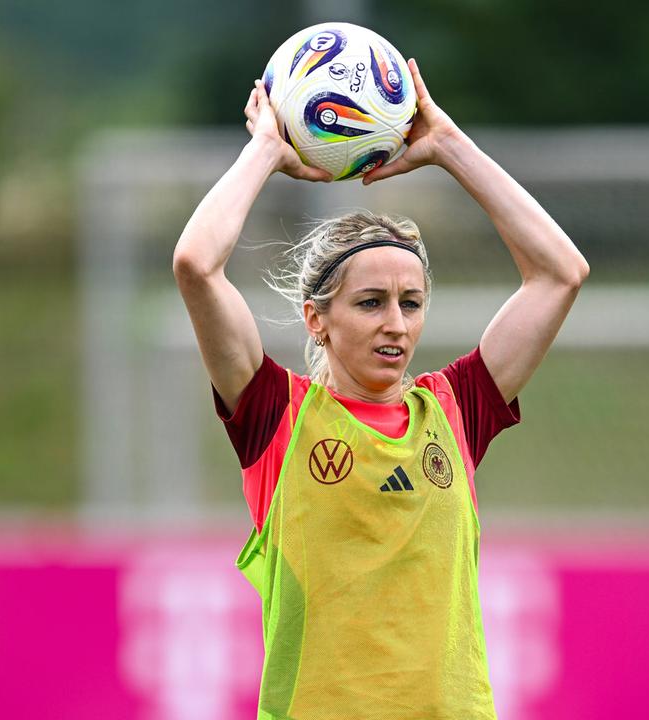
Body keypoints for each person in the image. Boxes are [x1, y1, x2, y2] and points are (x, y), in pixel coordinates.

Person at [173, 58, 588, 720]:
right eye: (370, 302)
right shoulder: (275, 416)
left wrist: (450, 147)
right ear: (318, 318)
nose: (396, 323)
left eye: (411, 302)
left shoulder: (454, 410)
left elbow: (560, 273)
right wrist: (265, 151)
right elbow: (196, 264)